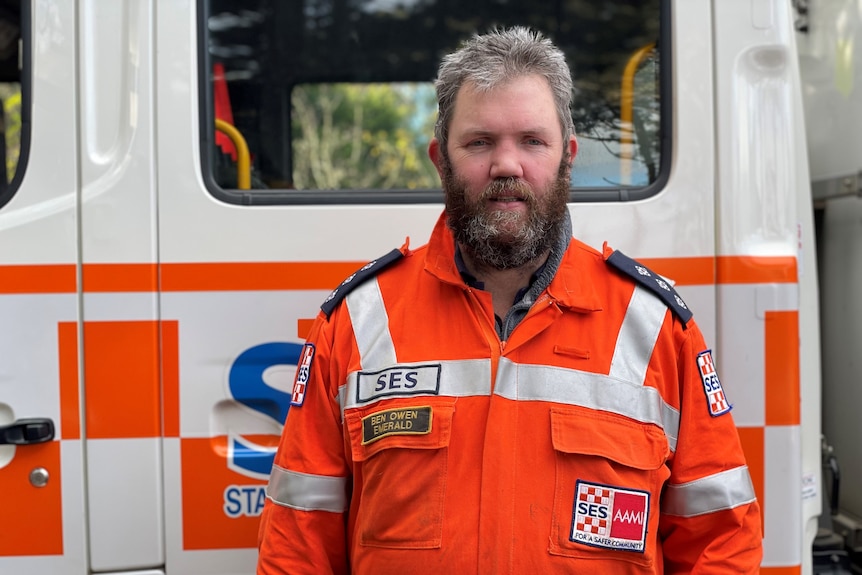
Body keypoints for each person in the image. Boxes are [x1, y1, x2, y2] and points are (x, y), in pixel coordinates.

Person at [256, 26, 763, 574]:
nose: (506, 165)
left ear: (566, 156)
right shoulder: (356, 322)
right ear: (440, 159)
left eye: (531, 140)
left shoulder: (655, 326)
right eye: (479, 142)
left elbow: (721, 543)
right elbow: (296, 546)